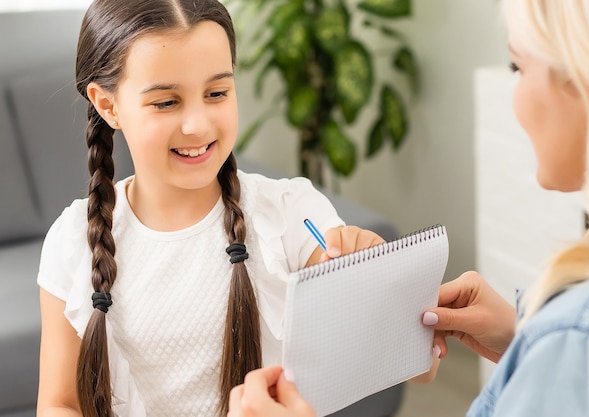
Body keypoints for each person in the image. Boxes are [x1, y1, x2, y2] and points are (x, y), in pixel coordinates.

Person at [227, 0, 589, 415]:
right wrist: (527, 338)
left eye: (518, 68)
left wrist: (559, 340)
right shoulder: (586, 330)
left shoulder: (587, 334)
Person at [35, 1, 386, 416]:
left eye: (217, 92)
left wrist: (376, 284)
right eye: (166, 102)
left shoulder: (291, 214)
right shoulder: (72, 240)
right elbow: (59, 404)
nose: (198, 125)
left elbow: (413, 364)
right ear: (108, 105)